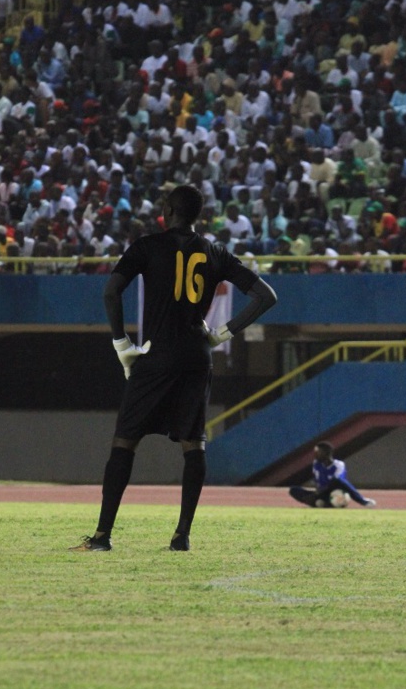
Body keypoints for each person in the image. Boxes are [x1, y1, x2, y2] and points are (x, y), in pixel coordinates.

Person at [70, 184, 277, 552]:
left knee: (125, 441)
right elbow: (266, 296)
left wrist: (122, 345)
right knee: (193, 445)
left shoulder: (148, 246)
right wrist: (221, 334)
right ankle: (181, 536)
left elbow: (110, 292)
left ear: (167, 210)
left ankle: (102, 536)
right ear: (198, 215)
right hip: (197, 357)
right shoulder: (215, 252)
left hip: (156, 354)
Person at [289, 441, 377, 508]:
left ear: (326, 453)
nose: (315, 454)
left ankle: (362, 501)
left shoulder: (338, 465)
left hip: (334, 492)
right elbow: (317, 481)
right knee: (294, 490)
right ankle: (320, 503)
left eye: (318, 452)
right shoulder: (316, 464)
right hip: (321, 493)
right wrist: (313, 494)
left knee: (337, 481)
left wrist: (317, 494)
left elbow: (337, 481)